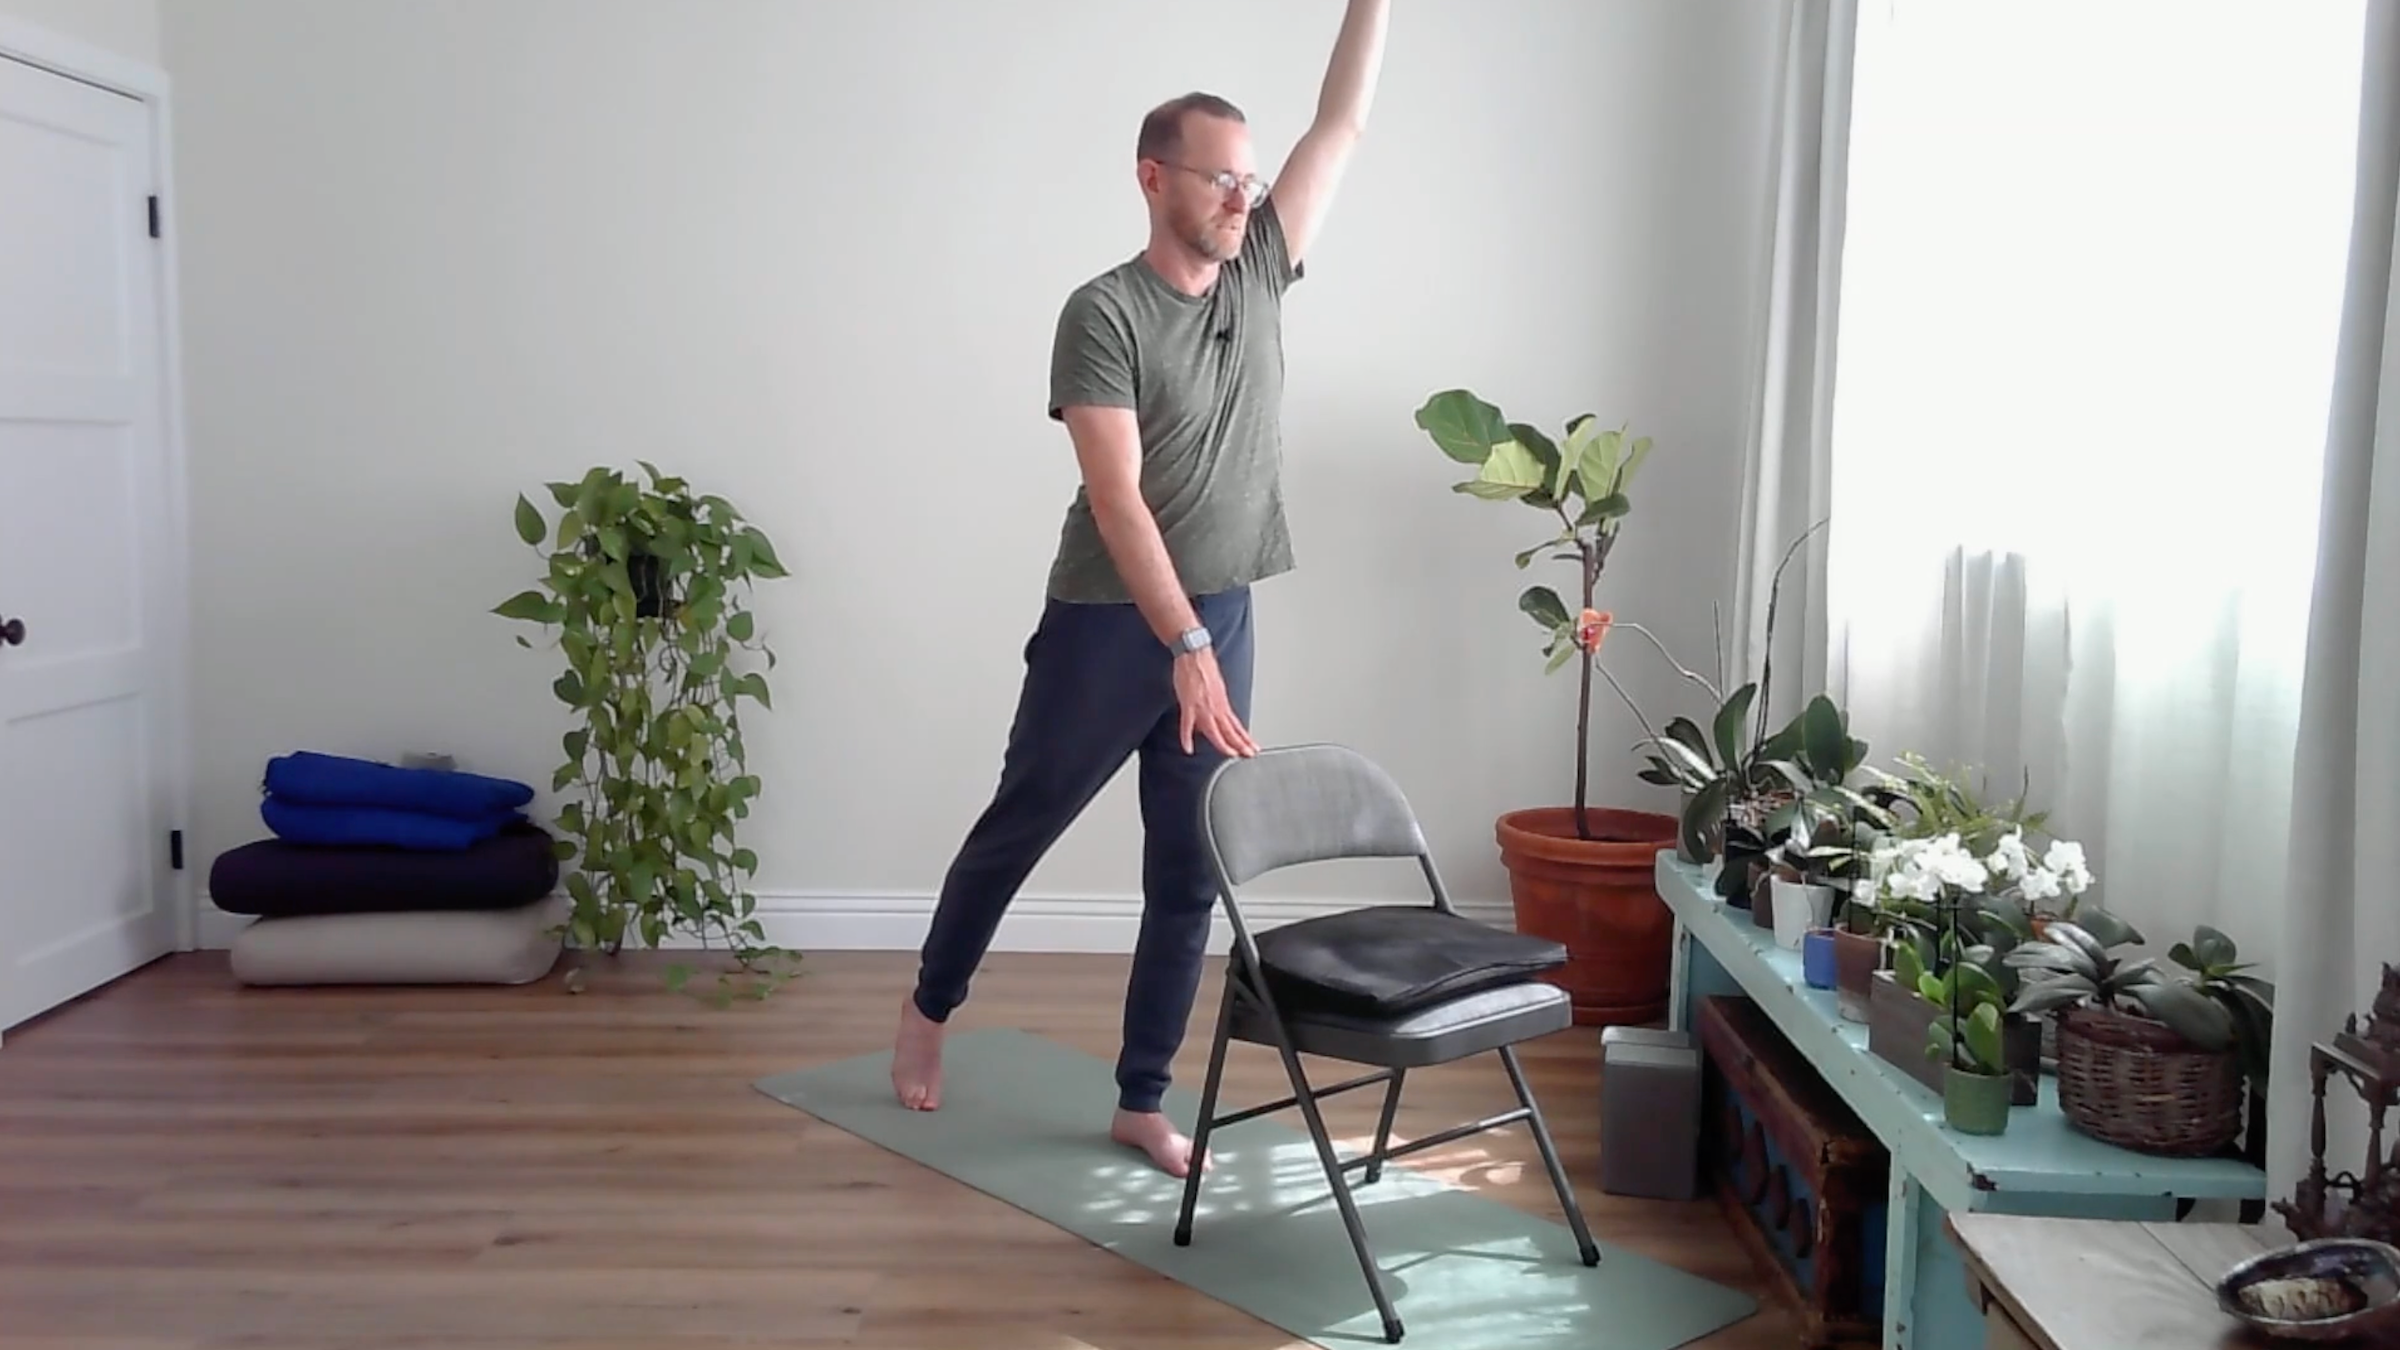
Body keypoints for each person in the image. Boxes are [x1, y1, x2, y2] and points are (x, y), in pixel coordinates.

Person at [889, 0, 1390, 1178]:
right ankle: (926, 1007)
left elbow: (1345, 123)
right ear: (1153, 177)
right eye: (1219, 180)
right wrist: (1181, 640)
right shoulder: (1102, 313)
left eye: (1251, 182)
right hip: (1110, 626)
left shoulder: (1263, 266)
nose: (1241, 200)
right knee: (1022, 825)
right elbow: (1118, 502)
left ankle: (1140, 1097)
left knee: (1188, 867)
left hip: (1220, 614)